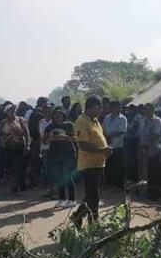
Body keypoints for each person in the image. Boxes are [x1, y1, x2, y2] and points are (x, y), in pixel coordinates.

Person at [72, 96, 112, 226]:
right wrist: (102, 150)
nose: (101, 110)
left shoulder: (95, 121)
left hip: (99, 164)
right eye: (99, 107)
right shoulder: (81, 121)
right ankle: (94, 223)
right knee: (93, 196)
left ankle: (78, 216)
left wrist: (105, 149)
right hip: (88, 165)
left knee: (93, 195)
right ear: (91, 107)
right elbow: (82, 145)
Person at [43, 108, 77, 207]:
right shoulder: (50, 127)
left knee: (68, 176)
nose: (58, 117)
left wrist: (65, 137)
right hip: (54, 154)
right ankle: (62, 199)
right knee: (59, 177)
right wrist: (51, 138)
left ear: (64, 116)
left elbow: (75, 138)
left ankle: (72, 199)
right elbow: (44, 141)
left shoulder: (69, 125)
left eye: (60, 115)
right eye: (56, 116)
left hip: (68, 154)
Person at [0, 104, 30, 193]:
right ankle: (14, 185)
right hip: (8, 147)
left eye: (13, 111)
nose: (12, 113)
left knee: (19, 167)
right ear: (6, 113)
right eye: (10, 111)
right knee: (10, 168)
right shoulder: (3, 122)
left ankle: (20, 185)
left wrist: (28, 145)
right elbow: (0, 134)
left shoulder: (20, 120)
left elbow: (26, 133)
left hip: (19, 147)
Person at [138, 104, 161, 198]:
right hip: (143, 148)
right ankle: (145, 192)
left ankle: (154, 194)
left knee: (154, 172)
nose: (147, 112)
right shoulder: (143, 120)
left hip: (153, 149)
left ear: (153, 110)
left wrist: (147, 144)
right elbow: (141, 134)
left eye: (149, 110)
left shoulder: (157, 121)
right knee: (144, 171)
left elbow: (157, 135)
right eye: (146, 110)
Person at [103, 100, 127, 189]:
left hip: (118, 145)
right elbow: (103, 130)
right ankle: (110, 184)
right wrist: (106, 137)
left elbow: (121, 131)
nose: (119, 108)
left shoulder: (122, 118)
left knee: (118, 166)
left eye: (119, 106)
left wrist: (110, 136)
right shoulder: (107, 118)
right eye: (117, 106)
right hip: (107, 145)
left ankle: (119, 186)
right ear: (112, 108)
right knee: (109, 166)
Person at [26, 97, 48, 189]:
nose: (46, 105)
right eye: (46, 103)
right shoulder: (38, 115)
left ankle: (35, 182)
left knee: (36, 162)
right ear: (42, 103)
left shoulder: (33, 114)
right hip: (38, 140)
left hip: (35, 140)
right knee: (37, 162)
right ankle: (35, 182)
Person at [124, 103, 142, 182]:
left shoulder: (138, 116)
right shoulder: (127, 116)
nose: (130, 110)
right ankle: (130, 177)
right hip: (127, 139)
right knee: (128, 159)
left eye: (132, 109)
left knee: (135, 159)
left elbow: (133, 130)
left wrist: (129, 128)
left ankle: (135, 177)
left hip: (135, 139)